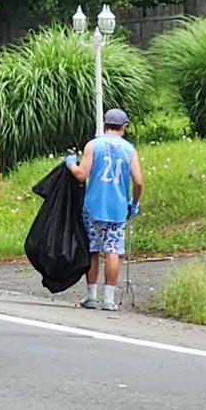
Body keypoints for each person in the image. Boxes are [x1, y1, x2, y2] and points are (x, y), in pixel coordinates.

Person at [66, 108, 143, 311]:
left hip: (93, 206)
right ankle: (109, 299)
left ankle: (91, 296)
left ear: (105, 125)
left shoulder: (93, 145)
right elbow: (138, 182)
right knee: (112, 251)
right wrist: (134, 203)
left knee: (93, 250)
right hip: (117, 209)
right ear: (124, 127)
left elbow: (81, 175)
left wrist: (70, 164)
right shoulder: (129, 150)